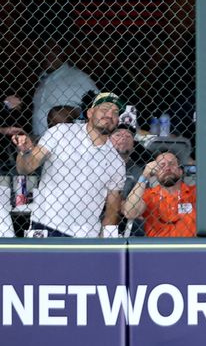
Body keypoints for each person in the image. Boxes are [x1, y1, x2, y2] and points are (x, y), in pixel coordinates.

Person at [12, 92, 126, 238]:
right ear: (90, 112)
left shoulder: (116, 162)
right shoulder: (61, 132)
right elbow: (25, 168)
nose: (109, 114)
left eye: (115, 112)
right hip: (46, 225)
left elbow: (112, 208)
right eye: (104, 109)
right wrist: (25, 152)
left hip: (86, 235)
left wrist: (104, 240)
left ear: (117, 121)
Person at [122, 151, 206, 238]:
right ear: (155, 172)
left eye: (172, 164)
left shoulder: (195, 191)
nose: (167, 168)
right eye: (161, 165)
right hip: (157, 252)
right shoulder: (149, 195)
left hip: (190, 252)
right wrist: (144, 176)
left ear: (181, 171)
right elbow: (130, 212)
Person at [32, 38, 97, 138]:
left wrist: (73, 112)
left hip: (67, 144)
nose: (49, 55)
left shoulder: (79, 77)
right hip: (39, 142)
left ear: (63, 53)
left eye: (54, 51)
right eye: (45, 51)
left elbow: (100, 106)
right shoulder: (42, 79)